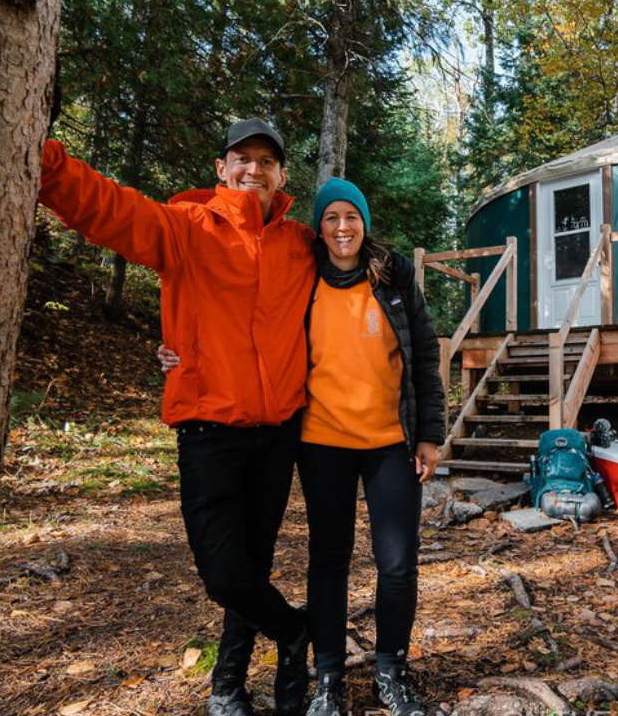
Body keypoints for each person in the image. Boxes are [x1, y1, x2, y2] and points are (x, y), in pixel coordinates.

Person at [39, 118, 314, 716]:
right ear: (221, 168)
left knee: (254, 566)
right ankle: (296, 632)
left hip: (279, 434)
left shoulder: (300, 244)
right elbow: (110, 209)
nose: (254, 170)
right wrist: (45, 164)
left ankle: (228, 687)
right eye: (242, 158)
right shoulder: (185, 228)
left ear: (281, 175)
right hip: (209, 429)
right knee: (223, 574)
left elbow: (349, 284)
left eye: (267, 161)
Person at [159, 177, 444, 716]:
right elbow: (238, 310)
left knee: (399, 564)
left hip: (391, 442)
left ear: (364, 221)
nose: (342, 228)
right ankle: (329, 676)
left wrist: (430, 434)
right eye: (331, 217)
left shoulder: (393, 273)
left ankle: (393, 669)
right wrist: (177, 346)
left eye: (351, 216)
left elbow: (424, 356)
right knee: (329, 560)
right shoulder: (303, 270)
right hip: (322, 442)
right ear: (320, 226)